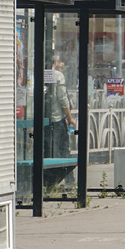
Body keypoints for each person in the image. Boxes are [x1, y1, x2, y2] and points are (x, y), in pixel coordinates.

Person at [44, 53, 77, 189]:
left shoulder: (36, 74)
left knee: (47, 150)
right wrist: (70, 118)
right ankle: (68, 181)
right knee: (63, 150)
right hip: (57, 118)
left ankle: (48, 182)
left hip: (43, 120)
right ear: (55, 61)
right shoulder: (57, 75)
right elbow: (62, 99)